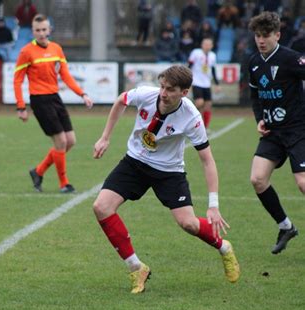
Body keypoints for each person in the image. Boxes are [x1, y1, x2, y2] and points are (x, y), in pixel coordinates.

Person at [92, 65, 240, 294]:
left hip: (169, 171)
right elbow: (121, 100)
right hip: (135, 161)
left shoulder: (192, 118)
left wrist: (213, 205)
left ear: (184, 92)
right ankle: (136, 267)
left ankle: (223, 247)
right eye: (162, 87)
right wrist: (105, 137)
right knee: (101, 207)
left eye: (170, 89)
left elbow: (207, 161)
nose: (163, 93)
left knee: (188, 223)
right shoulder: (146, 94)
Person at [13, 14, 93, 193]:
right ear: (32, 31)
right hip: (39, 101)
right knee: (61, 141)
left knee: (70, 141)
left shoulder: (57, 49)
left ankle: (38, 171)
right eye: (37, 30)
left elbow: (65, 75)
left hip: (55, 98)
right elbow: (17, 81)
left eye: (44, 29)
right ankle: (64, 183)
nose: (41, 33)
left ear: (49, 30)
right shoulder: (26, 52)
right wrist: (21, 107)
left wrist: (83, 94)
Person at [247, 11, 304, 254]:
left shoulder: (291, 59)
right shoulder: (253, 62)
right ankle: (286, 226)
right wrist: (260, 119)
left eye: (266, 35)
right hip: (272, 132)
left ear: (277, 35)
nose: (261, 40)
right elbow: (254, 94)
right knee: (257, 180)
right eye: (258, 35)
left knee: (303, 183)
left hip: (297, 130)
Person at [188, 37, 220, 132]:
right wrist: (187, 81)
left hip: (207, 84)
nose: (207, 46)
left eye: (209, 44)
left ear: (212, 46)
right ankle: (193, 123)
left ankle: (205, 127)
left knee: (208, 105)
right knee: (199, 103)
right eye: (205, 44)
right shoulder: (196, 53)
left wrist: (217, 84)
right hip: (196, 82)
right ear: (202, 45)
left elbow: (213, 70)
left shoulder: (213, 56)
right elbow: (189, 66)